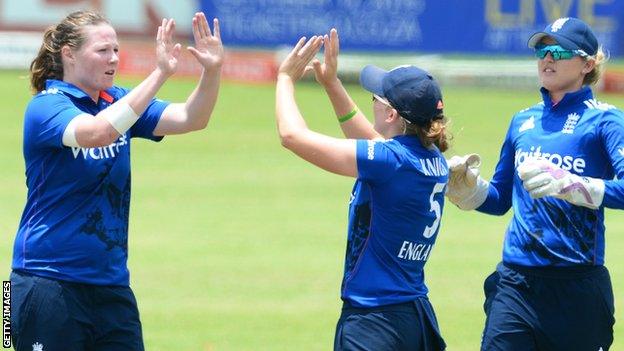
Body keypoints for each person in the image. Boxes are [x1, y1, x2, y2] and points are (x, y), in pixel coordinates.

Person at [10, 10, 223, 350]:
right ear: (69, 54)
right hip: (41, 282)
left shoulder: (118, 101)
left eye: (116, 50)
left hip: (111, 286)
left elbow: (192, 117)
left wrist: (212, 70)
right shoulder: (45, 107)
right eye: (102, 51)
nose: (113, 59)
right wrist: (160, 73)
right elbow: (98, 132)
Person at [446, 17, 624, 351]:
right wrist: (471, 192)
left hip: (577, 286)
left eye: (558, 50)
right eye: (542, 49)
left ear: (587, 64)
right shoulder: (522, 121)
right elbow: (500, 200)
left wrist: (572, 185)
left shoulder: (605, 120)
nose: (547, 58)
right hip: (516, 284)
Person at [276, 29, 448, 351]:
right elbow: (372, 141)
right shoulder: (428, 156)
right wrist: (331, 83)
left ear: (392, 114)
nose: (372, 103)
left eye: (376, 99)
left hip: (374, 322)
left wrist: (285, 79)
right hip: (414, 318)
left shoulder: (390, 161)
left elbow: (292, 136)